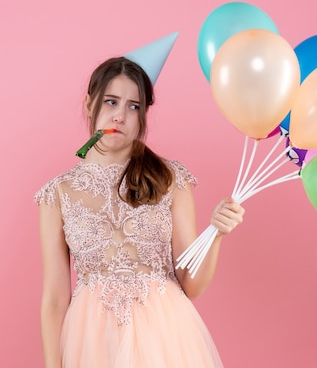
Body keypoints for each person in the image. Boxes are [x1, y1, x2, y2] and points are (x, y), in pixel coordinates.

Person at [34, 54, 245, 368]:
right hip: (92, 343)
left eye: (133, 106)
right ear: (88, 103)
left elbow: (191, 284)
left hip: (165, 341)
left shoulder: (171, 179)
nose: (120, 116)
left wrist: (216, 233)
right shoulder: (58, 193)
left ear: (144, 114)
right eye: (111, 102)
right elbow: (54, 298)